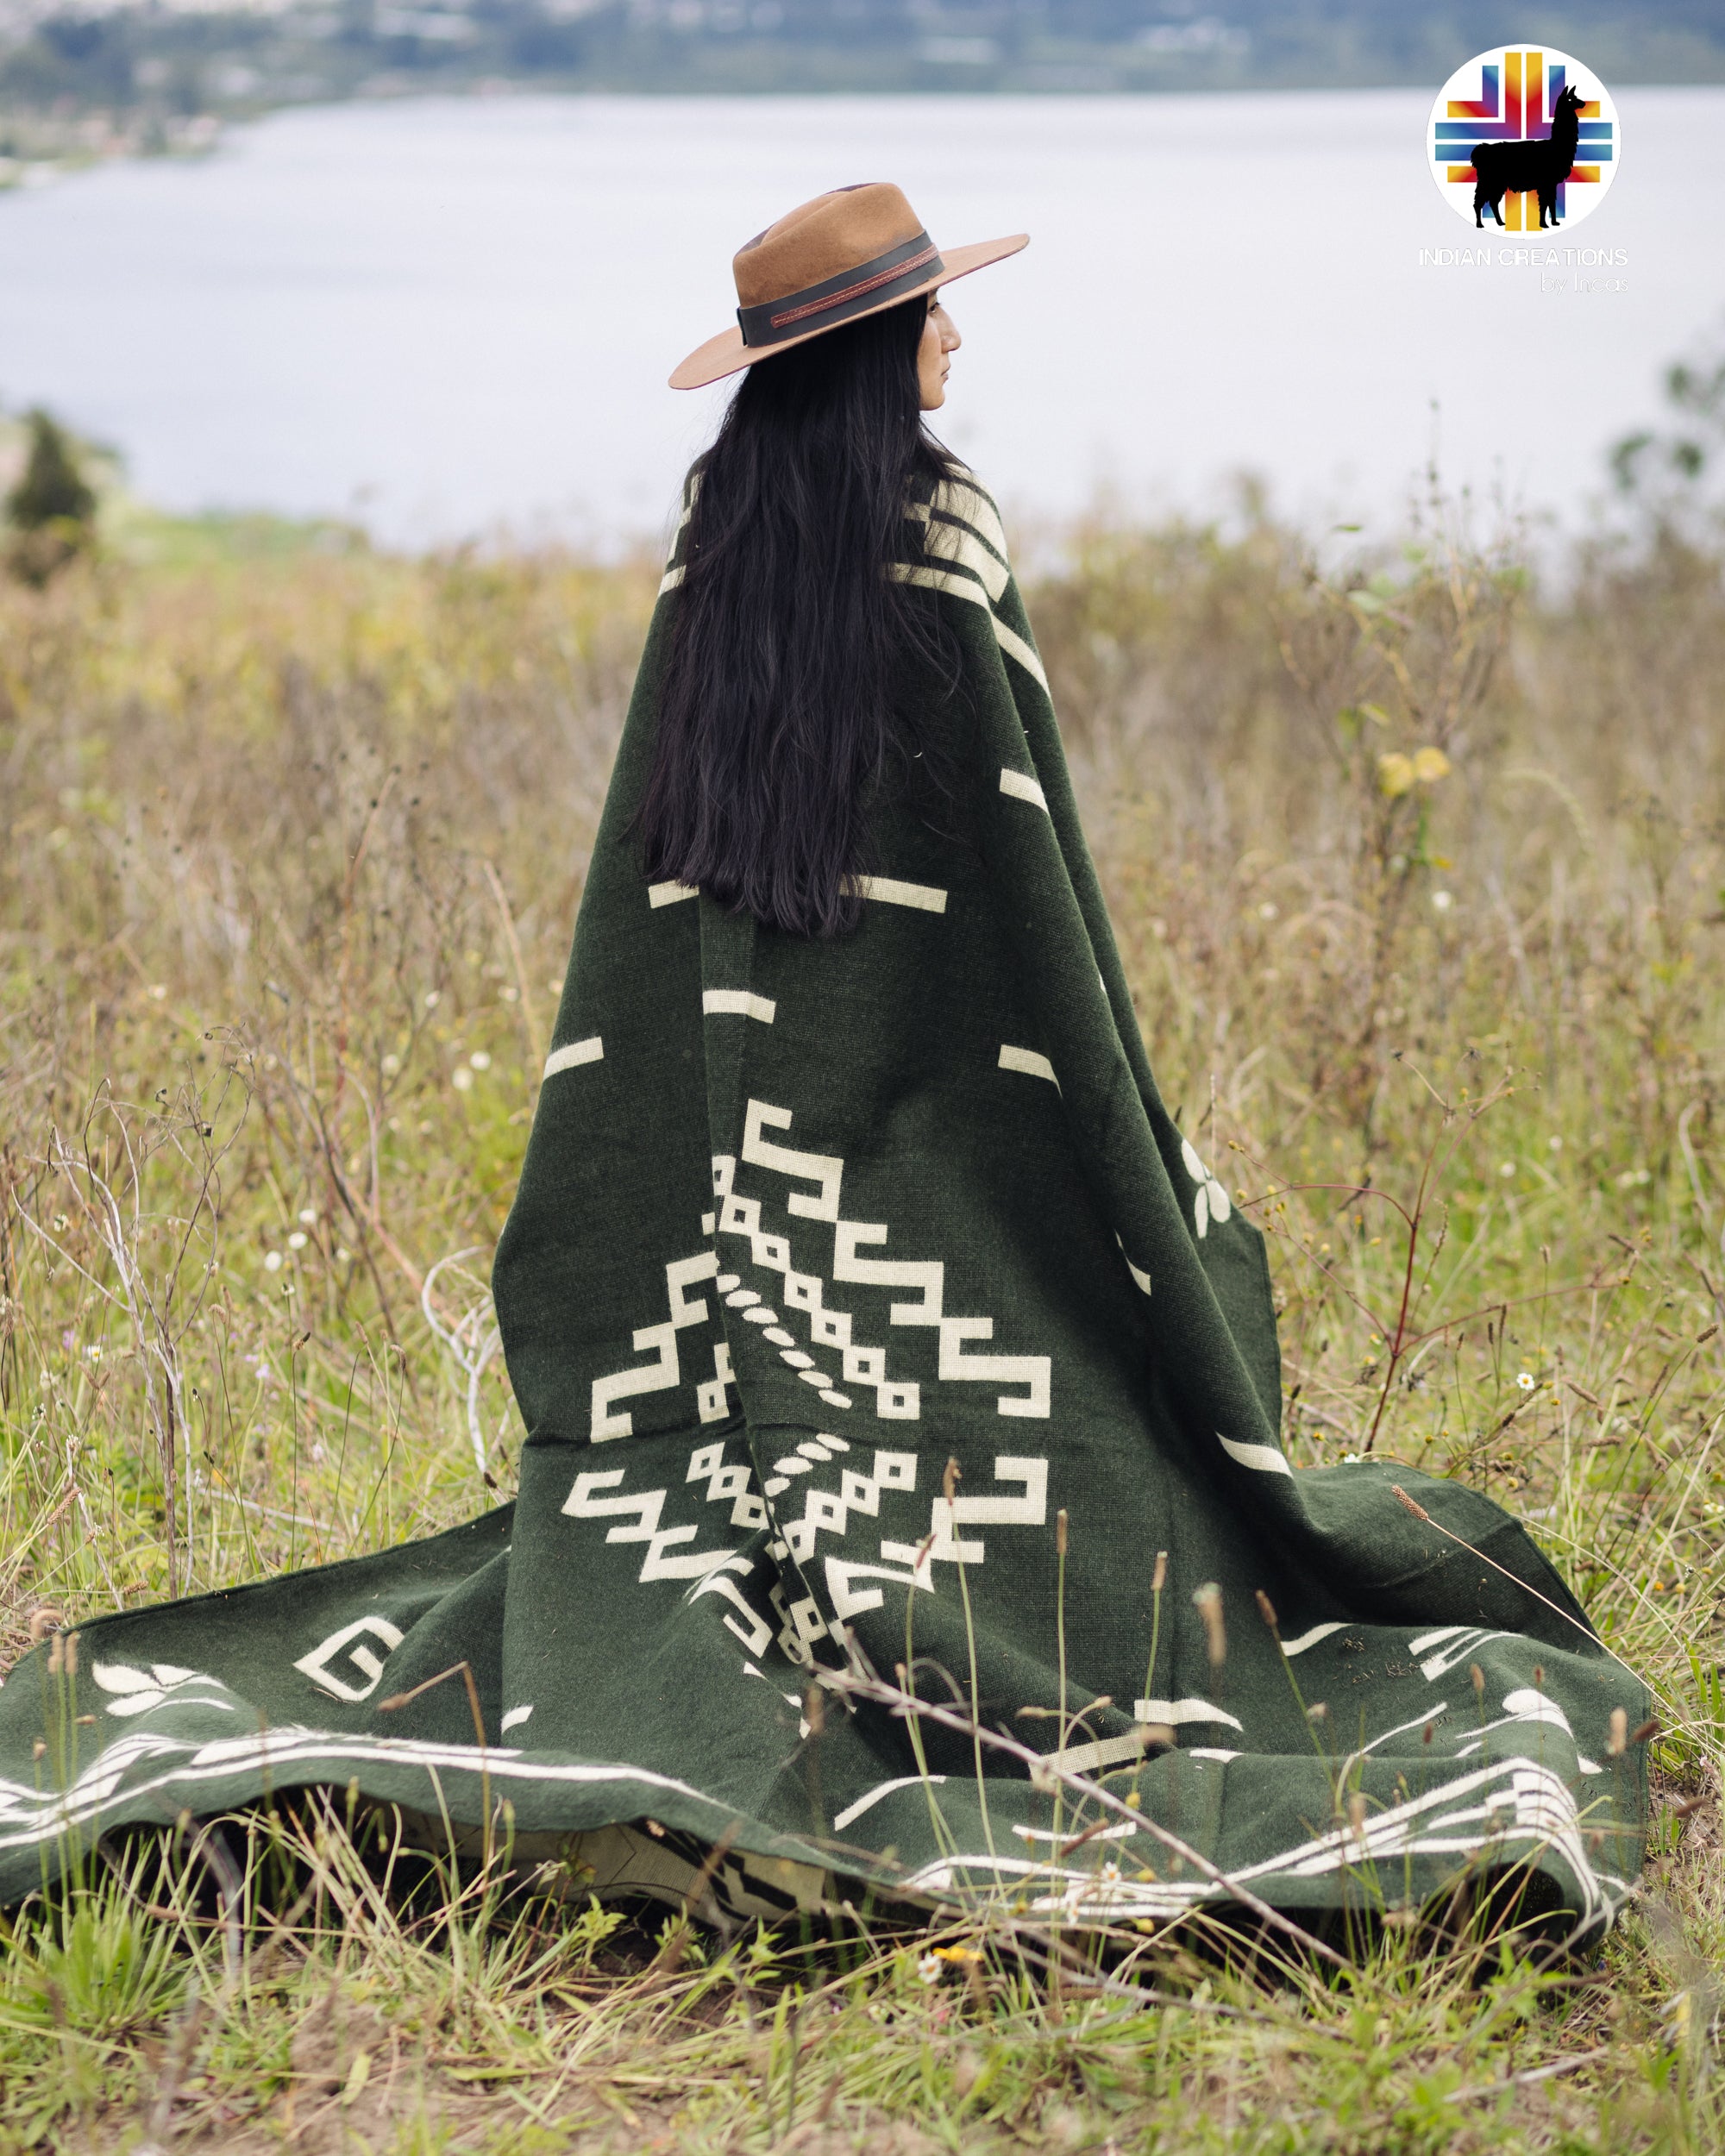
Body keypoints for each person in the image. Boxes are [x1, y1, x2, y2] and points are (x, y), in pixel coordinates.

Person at [0, 186, 1647, 1940]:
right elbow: (1029, 906)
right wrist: (1113, 1164)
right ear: (876, 354)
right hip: (943, 1169)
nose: (957, 334)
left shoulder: (713, 542)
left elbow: (663, 918)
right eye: (933, 311)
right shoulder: (945, 534)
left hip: (744, 1197)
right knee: (1174, 1417)